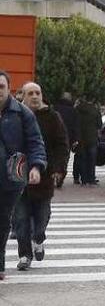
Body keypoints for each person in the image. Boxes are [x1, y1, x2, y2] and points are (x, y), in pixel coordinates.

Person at [15, 82, 68, 270]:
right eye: (31, 93)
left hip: (45, 175)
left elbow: (62, 144)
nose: (35, 96)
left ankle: (38, 238)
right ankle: (24, 255)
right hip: (18, 175)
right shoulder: (16, 116)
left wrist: (59, 169)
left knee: (42, 215)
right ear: (23, 96)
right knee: (20, 218)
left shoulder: (52, 117)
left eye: (38, 92)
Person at [0, 71, 47, 280]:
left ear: (9, 88)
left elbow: (35, 142)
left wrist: (36, 167)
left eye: (1, 87)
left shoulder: (22, 113)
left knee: (3, 220)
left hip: (12, 175)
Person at [53, 92, 79, 188]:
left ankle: (53, 175)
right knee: (64, 159)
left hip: (54, 137)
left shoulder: (54, 108)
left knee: (53, 157)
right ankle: (60, 177)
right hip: (67, 139)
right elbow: (75, 126)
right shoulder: (73, 111)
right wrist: (75, 139)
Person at [73, 97, 101, 185]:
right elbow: (99, 125)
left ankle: (84, 179)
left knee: (82, 159)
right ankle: (91, 179)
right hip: (92, 138)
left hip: (80, 138)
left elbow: (74, 123)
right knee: (92, 160)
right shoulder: (95, 110)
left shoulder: (77, 110)